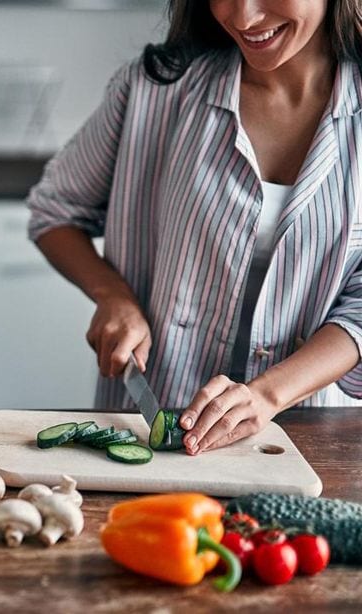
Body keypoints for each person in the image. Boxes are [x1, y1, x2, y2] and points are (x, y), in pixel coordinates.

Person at [27, 0, 362, 454]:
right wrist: (113, 296)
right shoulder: (154, 88)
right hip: (150, 432)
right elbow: (56, 212)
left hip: (309, 439)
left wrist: (267, 394)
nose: (243, 17)